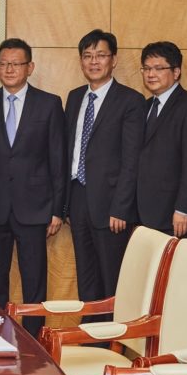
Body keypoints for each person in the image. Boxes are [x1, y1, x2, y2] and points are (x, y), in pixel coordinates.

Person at [0, 38, 65, 337]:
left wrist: (57, 210)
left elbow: (58, 160)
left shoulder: (49, 104)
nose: (8, 69)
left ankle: (36, 341)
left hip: (35, 207)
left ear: (30, 67)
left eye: (15, 63)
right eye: (3, 63)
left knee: (34, 282)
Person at [64, 29, 144, 310]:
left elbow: (131, 159)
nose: (93, 62)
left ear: (114, 60)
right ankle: (90, 338)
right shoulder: (74, 98)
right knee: (86, 278)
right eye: (87, 56)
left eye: (100, 55)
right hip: (78, 197)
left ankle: (112, 340)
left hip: (111, 205)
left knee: (112, 278)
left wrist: (122, 207)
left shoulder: (130, 101)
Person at [136, 41, 187, 238]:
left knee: (176, 269)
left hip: (175, 216)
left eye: (159, 68)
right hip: (146, 213)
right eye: (147, 68)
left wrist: (183, 209)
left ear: (176, 72)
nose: (151, 74)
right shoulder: (146, 106)